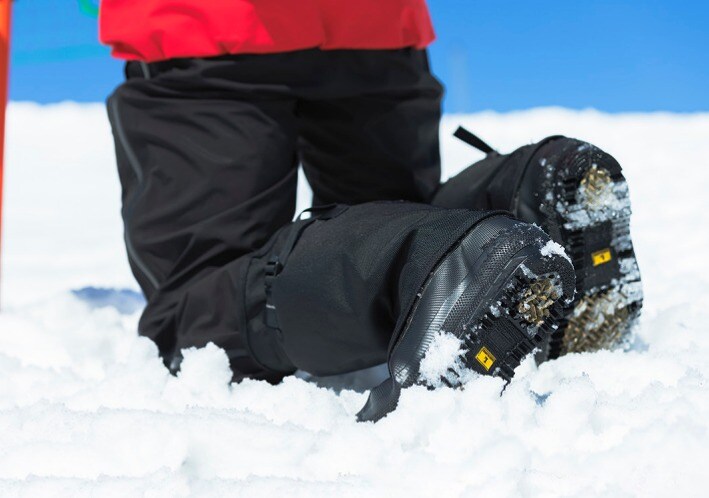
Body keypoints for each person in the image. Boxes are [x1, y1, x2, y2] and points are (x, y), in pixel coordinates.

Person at [100, 1, 642, 421]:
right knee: (386, 214)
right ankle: (531, 196)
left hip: (210, 25)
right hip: (378, 28)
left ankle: (447, 263)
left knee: (198, 305)